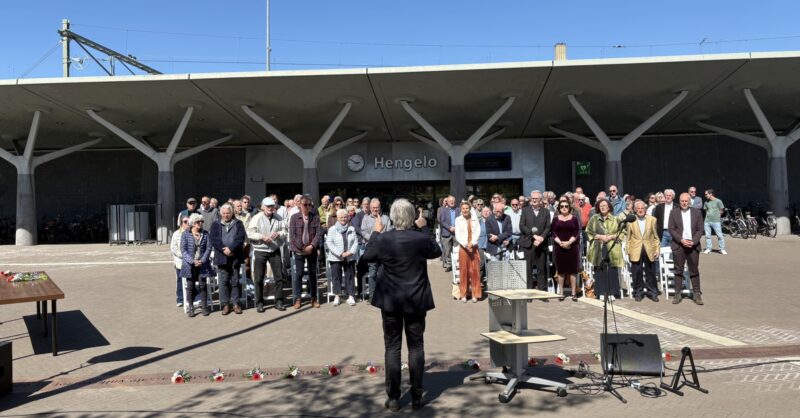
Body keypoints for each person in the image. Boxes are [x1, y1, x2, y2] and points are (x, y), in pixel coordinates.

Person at [360, 198, 440, 411]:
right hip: (415, 299)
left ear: (393, 217)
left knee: (392, 348)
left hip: (391, 300)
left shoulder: (384, 238)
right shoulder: (419, 238)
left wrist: (376, 233)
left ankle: (394, 398)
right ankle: (416, 396)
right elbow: (436, 251)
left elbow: (366, 256)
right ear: (413, 216)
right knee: (416, 347)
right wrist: (425, 230)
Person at [247, 197, 288, 312]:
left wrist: (279, 233)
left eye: (272, 206)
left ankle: (279, 301)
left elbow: (285, 231)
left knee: (279, 277)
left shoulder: (279, 218)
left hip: (274, 249)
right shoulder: (256, 218)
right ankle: (259, 302)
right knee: (259, 278)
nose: (271, 208)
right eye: (268, 206)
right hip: (260, 250)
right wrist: (262, 237)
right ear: (263, 207)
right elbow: (250, 233)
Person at [210, 203, 246, 315]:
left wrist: (231, 249)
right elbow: (213, 239)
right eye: (224, 213)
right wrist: (223, 249)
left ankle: (235, 304)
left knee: (235, 281)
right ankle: (225, 305)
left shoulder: (238, 223)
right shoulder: (215, 224)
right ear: (221, 213)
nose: (226, 215)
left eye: (228, 213)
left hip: (235, 256)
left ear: (232, 213)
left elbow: (240, 237)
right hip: (221, 257)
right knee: (223, 282)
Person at [669, 193, 704, 305]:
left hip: (693, 245)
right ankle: (677, 294)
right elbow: (671, 229)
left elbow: (700, 230)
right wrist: (681, 240)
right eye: (682, 201)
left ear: (690, 202)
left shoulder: (697, 213)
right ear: (679, 201)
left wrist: (693, 241)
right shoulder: (674, 212)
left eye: (686, 201)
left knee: (694, 270)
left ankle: (697, 294)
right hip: (679, 245)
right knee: (678, 270)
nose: (684, 203)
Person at [586, 199, 624, 301]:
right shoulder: (594, 218)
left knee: (612, 270)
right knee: (599, 269)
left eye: (605, 205)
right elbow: (588, 231)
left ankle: (612, 292)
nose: (602, 207)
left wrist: (611, 237)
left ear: (609, 207)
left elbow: (622, 232)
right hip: (598, 247)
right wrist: (600, 236)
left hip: (612, 247)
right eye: (600, 205)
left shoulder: (615, 219)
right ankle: (601, 292)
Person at [290, 195, 323, 309]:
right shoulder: (294, 217)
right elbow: (293, 236)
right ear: (300, 205)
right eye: (305, 204)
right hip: (299, 250)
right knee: (298, 275)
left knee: (312, 274)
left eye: (310, 205)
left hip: (311, 250)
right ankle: (298, 299)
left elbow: (319, 234)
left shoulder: (315, 217)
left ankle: (313, 299)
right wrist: (303, 247)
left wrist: (312, 246)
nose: (308, 207)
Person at [625, 200, 660, 302]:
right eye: (638, 209)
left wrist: (657, 249)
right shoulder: (631, 221)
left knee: (651, 272)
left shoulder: (652, 220)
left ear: (645, 209)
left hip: (649, 249)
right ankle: (638, 292)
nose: (640, 210)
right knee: (637, 272)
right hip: (636, 249)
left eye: (642, 208)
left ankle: (652, 292)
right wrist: (628, 250)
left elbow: (656, 237)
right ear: (635, 210)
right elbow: (628, 238)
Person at [360, 198, 392, 303]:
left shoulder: (386, 218)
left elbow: (389, 231)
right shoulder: (365, 218)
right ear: (370, 208)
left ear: (380, 207)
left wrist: (380, 238)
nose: (375, 209)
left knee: (384, 273)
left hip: (384, 249)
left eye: (377, 207)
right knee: (372, 273)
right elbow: (363, 232)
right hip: (372, 249)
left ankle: (384, 295)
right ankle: (372, 297)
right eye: (373, 207)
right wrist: (374, 237)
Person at [326, 208, 359, 306]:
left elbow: (356, 242)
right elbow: (329, 243)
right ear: (337, 218)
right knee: (336, 277)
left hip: (349, 257)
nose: (343, 219)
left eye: (345, 217)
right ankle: (337, 296)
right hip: (336, 257)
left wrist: (351, 252)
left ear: (348, 217)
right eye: (341, 217)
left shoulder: (351, 229)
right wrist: (340, 253)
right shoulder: (332, 229)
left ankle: (351, 296)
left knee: (350, 276)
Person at [519, 191, 551, 291]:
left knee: (541, 269)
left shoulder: (546, 212)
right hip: (528, 244)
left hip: (541, 245)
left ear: (540, 200)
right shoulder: (525, 210)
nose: (534, 200)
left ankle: (542, 291)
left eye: (536, 198)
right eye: (532, 198)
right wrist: (534, 236)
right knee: (528, 270)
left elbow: (548, 227)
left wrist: (541, 238)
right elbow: (522, 225)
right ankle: (528, 291)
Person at [181, 213, 211, 317]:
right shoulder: (185, 234)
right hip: (190, 265)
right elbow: (183, 250)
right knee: (190, 286)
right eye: (198, 222)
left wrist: (202, 260)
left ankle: (204, 306)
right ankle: (191, 307)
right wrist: (193, 261)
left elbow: (208, 248)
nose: (200, 224)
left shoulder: (205, 233)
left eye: (201, 222)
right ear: (193, 223)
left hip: (202, 264)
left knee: (203, 285)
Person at [552, 198, 581, 301]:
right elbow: (553, 232)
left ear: (569, 207)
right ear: (559, 208)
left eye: (566, 206)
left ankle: (573, 293)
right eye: (562, 206)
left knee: (573, 271)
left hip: (572, 247)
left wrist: (569, 242)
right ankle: (561, 292)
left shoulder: (574, 218)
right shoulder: (555, 219)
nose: (564, 208)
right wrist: (560, 242)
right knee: (561, 271)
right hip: (559, 247)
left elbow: (577, 232)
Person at [455, 201, 481, 303]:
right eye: (463, 208)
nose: (465, 210)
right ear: (461, 210)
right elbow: (458, 235)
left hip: (473, 247)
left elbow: (478, 232)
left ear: (470, 209)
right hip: (463, 248)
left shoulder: (475, 219)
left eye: (467, 208)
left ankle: (475, 294)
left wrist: (472, 243)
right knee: (464, 271)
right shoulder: (458, 220)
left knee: (475, 271)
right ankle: (464, 294)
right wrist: (466, 244)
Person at [171, 215, 190, 307]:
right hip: (180, 261)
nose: (187, 223)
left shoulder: (192, 233)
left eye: (188, 221)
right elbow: (173, 248)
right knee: (180, 280)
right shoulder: (176, 234)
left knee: (191, 280)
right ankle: (180, 299)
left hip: (190, 261)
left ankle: (193, 298)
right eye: (185, 222)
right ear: (181, 223)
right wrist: (183, 255)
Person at [702, 189, 727, 255]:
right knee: (707, 236)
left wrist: (718, 216)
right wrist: (707, 217)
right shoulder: (706, 202)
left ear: (711, 194)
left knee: (719, 235)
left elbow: (722, 209)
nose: (705, 195)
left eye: (706, 194)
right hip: (707, 221)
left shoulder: (718, 201)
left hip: (716, 221)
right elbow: (706, 210)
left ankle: (722, 249)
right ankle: (708, 248)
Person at [437, 196, 457, 272]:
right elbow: (442, 221)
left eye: (453, 201)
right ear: (447, 202)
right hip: (447, 232)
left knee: (456, 250)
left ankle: (456, 265)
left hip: (456, 232)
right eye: (450, 201)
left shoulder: (458, 210)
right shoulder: (443, 210)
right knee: (447, 250)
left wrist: (456, 227)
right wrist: (449, 228)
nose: (451, 202)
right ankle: (449, 265)